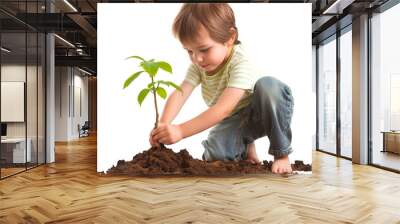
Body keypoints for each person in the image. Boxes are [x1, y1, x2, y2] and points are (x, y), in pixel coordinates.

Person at [149, 3, 294, 174]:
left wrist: (180, 130)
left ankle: (281, 153)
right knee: (215, 155)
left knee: (269, 87)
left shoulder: (240, 63)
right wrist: (163, 124)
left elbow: (223, 110)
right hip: (235, 119)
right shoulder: (198, 65)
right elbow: (181, 93)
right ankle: (245, 145)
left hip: (265, 113)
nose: (198, 59)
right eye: (189, 51)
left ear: (230, 38)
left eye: (204, 49)